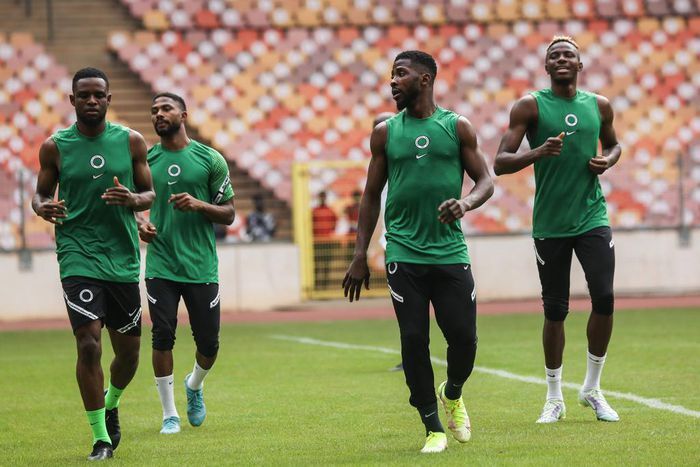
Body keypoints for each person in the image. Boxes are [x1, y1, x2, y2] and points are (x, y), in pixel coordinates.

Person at [343, 51, 493, 453]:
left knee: (464, 339)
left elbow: (485, 180)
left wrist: (466, 203)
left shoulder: (457, 127)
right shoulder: (385, 133)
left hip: (449, 252)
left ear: (425, 79)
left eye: (401, 74)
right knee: (413, 338)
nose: (392, 81)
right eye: (391, 74)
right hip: (403, 252)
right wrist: (360, 254)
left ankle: (453, 391)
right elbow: (370, 195)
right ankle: (432, 428)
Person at [494, 36, 622, 424]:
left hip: (592, 217)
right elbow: (500, 162)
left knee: (604, 297)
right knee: (555, 310)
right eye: (555, 55)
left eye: (569, 54)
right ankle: (554, 397)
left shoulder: (599, 105)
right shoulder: (530, 106)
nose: (562, 58)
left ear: (580, 65)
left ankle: (592, 389)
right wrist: (538, 151)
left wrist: (607, 160)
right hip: (550, 223)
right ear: (546, 66)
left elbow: (614, 145)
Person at [32, 67, 154, 461]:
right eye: (83, 95)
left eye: (98, 94)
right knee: (88, 344)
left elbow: (149, 193)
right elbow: (39, 195)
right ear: (72, 100)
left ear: (108, 99)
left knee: (129, 355)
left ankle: (111, 401)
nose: (91, 100)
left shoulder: (131, 141)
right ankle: (101, 439)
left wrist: (133, 200)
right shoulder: (55, 147)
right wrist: (42, 207)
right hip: (77, 254)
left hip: (121, 258)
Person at [137, 93, 235, 435]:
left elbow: (229, 213)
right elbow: (129, 205)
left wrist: (199, 205)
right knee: (162, 335)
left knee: (209, 343)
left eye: (166, 108)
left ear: (184, 115)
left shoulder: (210, 159)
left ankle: (194, 384)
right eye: (154, 110)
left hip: (200, 265)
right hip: (161, 264)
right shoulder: (146, 160)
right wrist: (140, 224)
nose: (159, 114)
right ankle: (169, 414)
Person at [312, 191, 337, 288]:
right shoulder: (314, 211)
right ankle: (316, 285)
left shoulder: (330, 211)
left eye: (323, 197)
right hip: (317, 241)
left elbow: (334, 223)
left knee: (326, 265)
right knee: (316, 264)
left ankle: (324, 285)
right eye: (321, 197)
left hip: (327, 241)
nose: (322, 198)